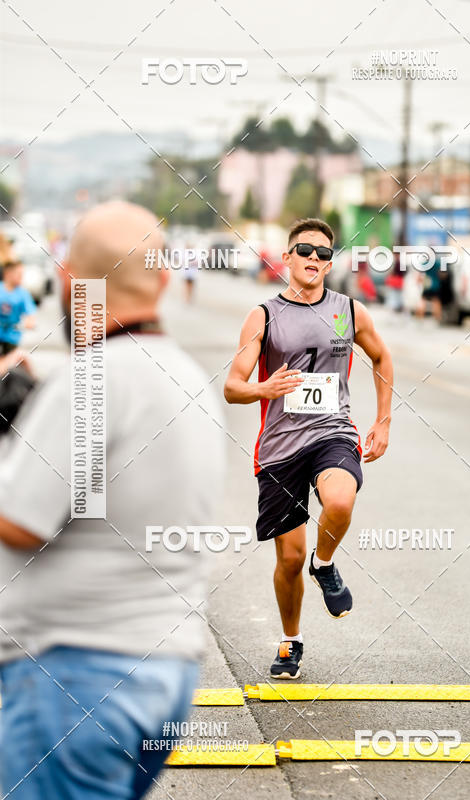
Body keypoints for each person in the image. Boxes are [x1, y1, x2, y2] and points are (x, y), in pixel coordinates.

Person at [0, 201, 225, 799]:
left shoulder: (92, 379)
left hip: (75, 676)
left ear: (71, 281)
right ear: (164, 280)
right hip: (163, 672)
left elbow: (21, 521)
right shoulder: (185, 378)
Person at [224, 218, 393, 679]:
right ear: (287, 257)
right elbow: (233, 387)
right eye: (304, 250)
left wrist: (383, 419)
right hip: (280, 447)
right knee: (289, 558)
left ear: (330, 263)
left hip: (332, 432)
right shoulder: (263, 316)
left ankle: (326, 563)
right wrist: (264, 388)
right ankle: (291, 639)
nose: (314, 258)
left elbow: (381, 356)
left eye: (323, 253)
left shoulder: (348, 311)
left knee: (339, 501)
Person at [0, 260, 37, 356]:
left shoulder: (23, 294)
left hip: (11, 338)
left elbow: (30, 313)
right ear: (8, 274)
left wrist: (30, 321)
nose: (21, 277)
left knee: (13, 361)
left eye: (22, 274)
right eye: (19, 274)